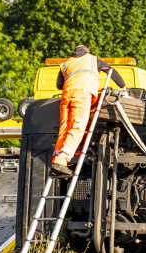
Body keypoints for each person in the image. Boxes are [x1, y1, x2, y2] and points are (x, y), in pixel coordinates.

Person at [49, 45, 126, 178]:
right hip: (82, 95)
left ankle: (56, 160)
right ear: (87, 52)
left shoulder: (66, 64)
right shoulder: (93, 59)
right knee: (77, 128)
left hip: (66, 97)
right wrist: (123, 87)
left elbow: (59, 85)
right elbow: (112, 72)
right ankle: (62, 161)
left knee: (64, 128)